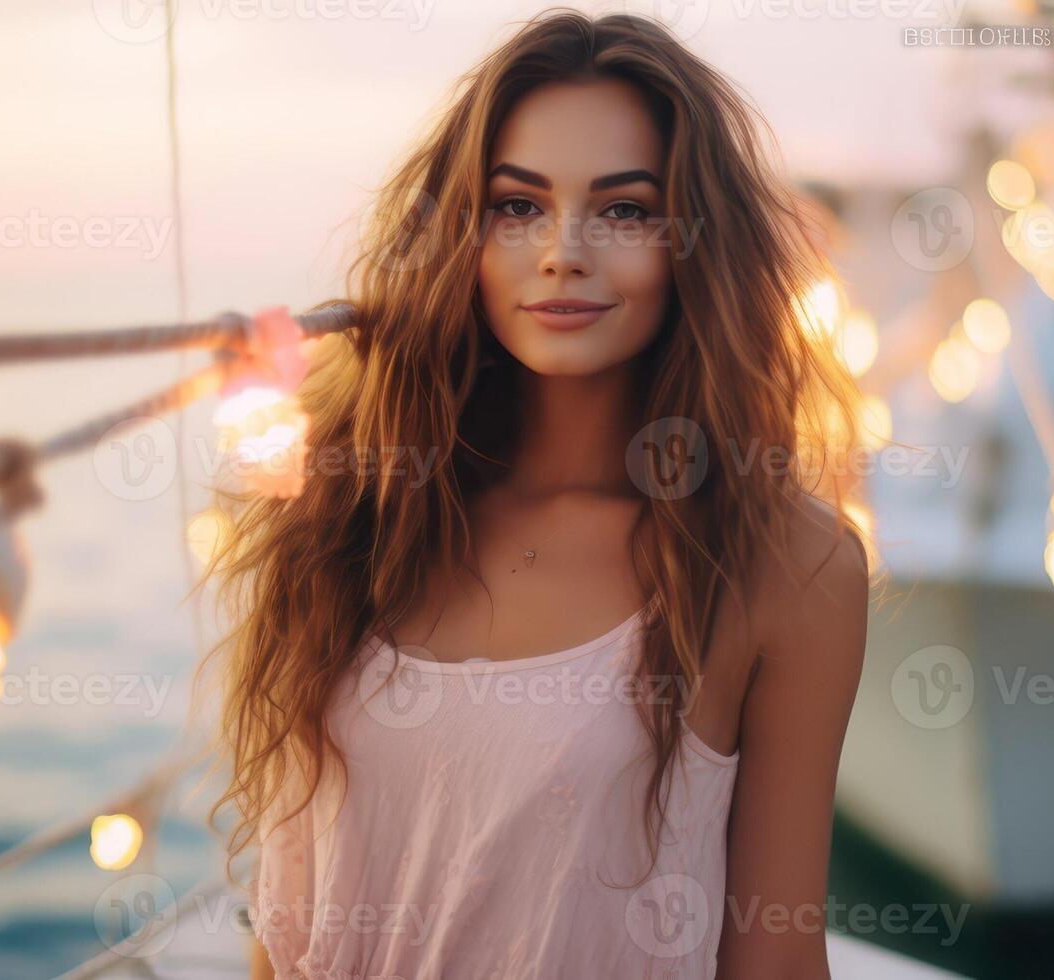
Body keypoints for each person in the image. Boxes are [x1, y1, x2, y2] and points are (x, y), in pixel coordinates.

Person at [201, 9, 873, 978]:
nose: (564, 249)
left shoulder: (784, 567)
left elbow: (774, 953)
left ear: (695, 244)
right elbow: (288, 921)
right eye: (517, 206)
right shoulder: (354, 509)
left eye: (626, 209)